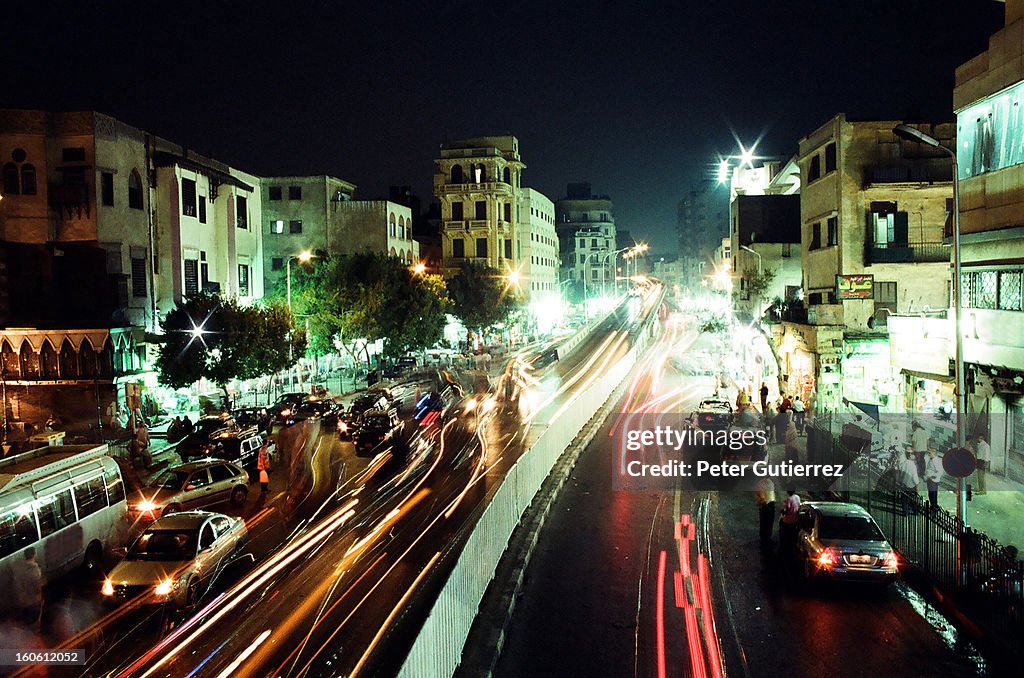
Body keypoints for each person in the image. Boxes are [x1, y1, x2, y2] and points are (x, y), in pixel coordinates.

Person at [11, 547, 43, 628]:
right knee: (34, 622)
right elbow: (37, 587)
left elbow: (17, 585)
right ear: (34, 555)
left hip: (23, 602)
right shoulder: (34, 570)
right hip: (33, 601)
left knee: (26, 623)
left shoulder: (20, 569)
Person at [897, 449, 921, 514]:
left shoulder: (902, 464)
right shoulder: (913, 466)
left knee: (904, 499)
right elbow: (915, 478)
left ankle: (905, 512)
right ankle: (915, 511)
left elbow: (898, 477)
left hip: (903, 485)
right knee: (913, 499)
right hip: (911, 486)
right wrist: (917, 487)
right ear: (911, 456)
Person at [779, 489, 801, 558]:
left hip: (788, 520)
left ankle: (784, 549)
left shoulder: (789, 499)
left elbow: (787, 509)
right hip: (795, 519)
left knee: (785, 535)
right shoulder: (797, 497)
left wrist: (782, 511)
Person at [755, 477, 776, 546]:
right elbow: (762, 498)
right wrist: (768, 507)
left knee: (769, 523)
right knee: (765, 523)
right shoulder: (761, 484)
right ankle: (764, 539)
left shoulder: (770, 482)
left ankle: (767, 538)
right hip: (765, 506)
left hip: (770, 504)